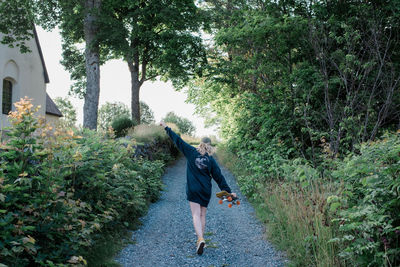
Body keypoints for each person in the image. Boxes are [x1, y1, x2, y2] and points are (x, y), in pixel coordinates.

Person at [160, 121, 236, 255]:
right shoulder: (211, 160)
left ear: (200, 143)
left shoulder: (191, 152)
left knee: (195, 214)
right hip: (206, 190)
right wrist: (229, 193)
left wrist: (166, 127)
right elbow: (219, 178)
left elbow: (178, 140)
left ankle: (200, 239)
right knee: (202, 214)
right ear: (210, 146)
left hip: (193, 189)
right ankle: (202, 238)